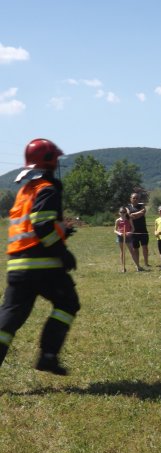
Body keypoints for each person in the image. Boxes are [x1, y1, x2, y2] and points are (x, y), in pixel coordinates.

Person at [0, 139, 80, 375]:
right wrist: (63, 253)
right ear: (49, 160)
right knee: (67, 303)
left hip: (18, 266)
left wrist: (62, 230)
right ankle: (48, 355)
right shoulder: (47, 189)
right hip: (43, 265)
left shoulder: (25, 191)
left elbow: (31, 225)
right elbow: (42, 225)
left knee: (9, 319)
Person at [126, 192, 150, 269]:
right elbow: (128, 215)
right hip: (133, 231)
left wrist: (133, 215)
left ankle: (146, 263)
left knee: (145, 247)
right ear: (130, 199)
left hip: (143, 230)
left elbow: (143, 212)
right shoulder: (127, 207)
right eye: (134, 198)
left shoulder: (141, 205)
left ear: (139, 199)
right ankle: (137, 263)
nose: (135, 199)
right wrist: (137, 214)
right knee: (135, 248)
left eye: (137, 198)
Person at [114, 206, 136, 272]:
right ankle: (123, 267)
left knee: (132, 251)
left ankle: (137, 266)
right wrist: (119, 233)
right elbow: (115, 230)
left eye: (124, 212)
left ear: (126, 213)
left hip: (128, 237)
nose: (122, 213)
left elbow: (133, 228)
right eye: (121, 212)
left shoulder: (129, 219)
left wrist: (130, 232)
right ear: (119, 213)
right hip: (120, 237)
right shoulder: (118, 220)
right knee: (122, 251)